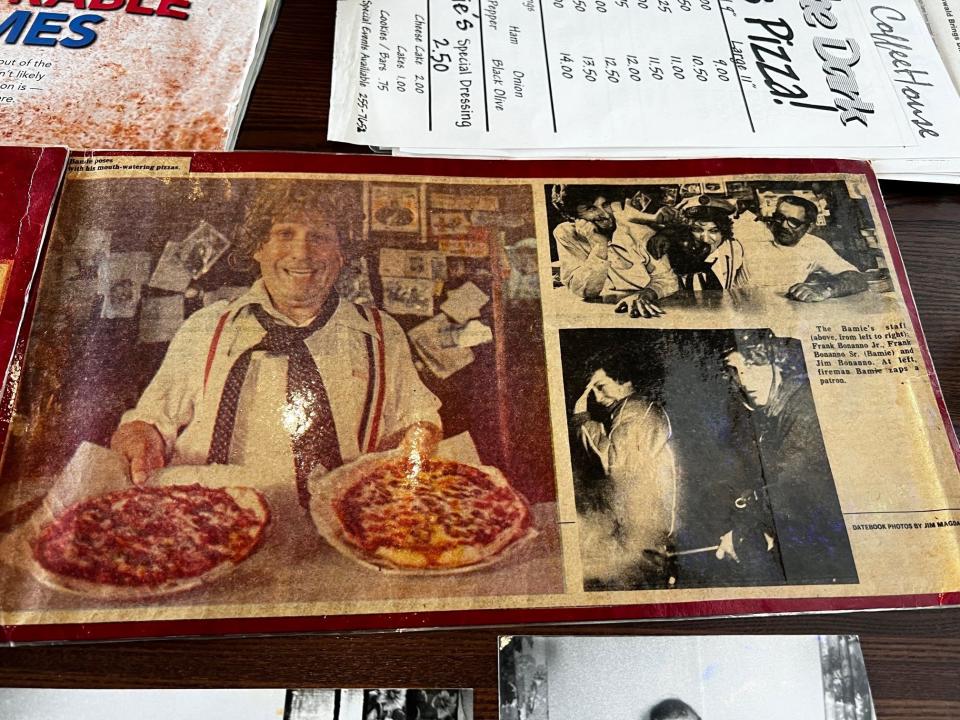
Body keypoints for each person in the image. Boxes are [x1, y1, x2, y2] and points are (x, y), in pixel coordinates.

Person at [111, 183, 442, 506]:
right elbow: (150, 422)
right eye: (285, 234)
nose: (302, 252)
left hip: (338, 531)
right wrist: (141, 441)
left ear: (340, 255)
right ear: (258, 247)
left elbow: (416, 421)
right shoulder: (205, 326)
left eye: (320, 237)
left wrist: (417, 442)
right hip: (208, 521)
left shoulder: (385, 334)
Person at [720, 330, 857, 584]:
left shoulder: (802, 408)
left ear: (776, 364)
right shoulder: (769, 410)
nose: (745, 381)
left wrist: (742, 533)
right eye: (736, 371)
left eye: (754, 366)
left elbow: (790, 488)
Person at [570, 347, 678, 589]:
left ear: (624, 382)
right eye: (592, 389)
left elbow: (613, 463)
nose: (596, 397)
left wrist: (581, 419)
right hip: (640, 530)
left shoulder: (637, 411)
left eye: (601, 386)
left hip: (644, 534)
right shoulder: (628, 411)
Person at [550, 185, 678, 317]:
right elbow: (584, 292)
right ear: (572, 217)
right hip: (600, 312)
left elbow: (668, 281)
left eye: (605, 205)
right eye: (591, 209)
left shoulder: (638, 230)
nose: (605, 215)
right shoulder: (566, 233)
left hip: (651, 307)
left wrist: (644, 295)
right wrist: (600, 246)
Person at [749, 195, 867, 302]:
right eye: (780, 218)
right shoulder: (752, 235)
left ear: (809, 227)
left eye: (794, 222)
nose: (784, 225)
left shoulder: (813, 245)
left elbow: (857, 278)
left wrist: (824, 289)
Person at [676, 195, 747, 291]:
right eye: (697, 230)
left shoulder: (734, 249)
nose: (705, 239)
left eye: (713, 231)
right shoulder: (676, 253)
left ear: (724, 233)